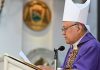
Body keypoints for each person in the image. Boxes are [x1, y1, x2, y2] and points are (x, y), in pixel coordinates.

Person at [61, 0, 100, 70]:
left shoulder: (92, 46)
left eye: (65, 28)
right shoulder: (73, 46)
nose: (63, 33)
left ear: (79, 28)